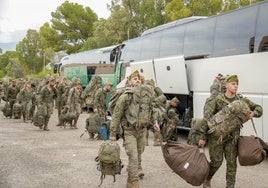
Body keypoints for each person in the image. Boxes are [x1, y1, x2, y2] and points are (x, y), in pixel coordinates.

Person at [199, 75, 263, 188]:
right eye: (233, 84)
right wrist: (203, 137)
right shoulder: (216, 100)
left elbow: (259, 108)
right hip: (216, 137)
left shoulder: (241, 100)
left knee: (232, 164)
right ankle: (207, 178)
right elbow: (206, 120)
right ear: (226, 85)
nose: (236, 86)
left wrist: (253, 113)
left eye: (237, 84)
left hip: (232, 138)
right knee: (216, 162)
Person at [109, 70, 160, 188]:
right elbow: (116, 115)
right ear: (130, 82)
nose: (137, 80)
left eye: (139, 79)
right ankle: (134, 182)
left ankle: (131, 177)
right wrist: (113, 133)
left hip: (142, 131)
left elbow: (151, 110)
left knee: (139, 152)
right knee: (133, 155)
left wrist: (155, 122)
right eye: (134, 79)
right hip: (129, 131)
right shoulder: (125, 96)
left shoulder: (146, 95)